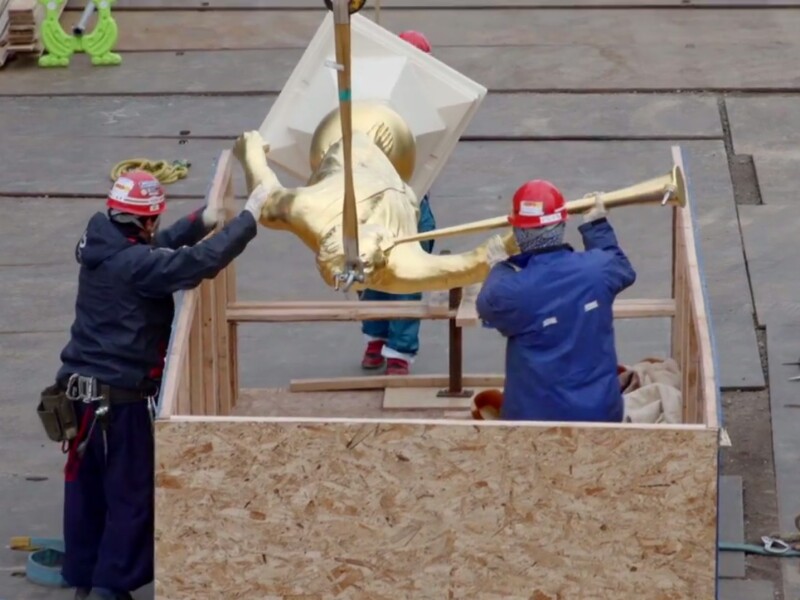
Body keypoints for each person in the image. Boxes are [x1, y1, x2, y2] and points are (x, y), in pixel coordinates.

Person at [42, 170, 269, 600]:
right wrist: (248, 221)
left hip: (82, 400)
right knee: (130, 497)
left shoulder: (104, 246)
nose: (155, 230)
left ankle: (86, 579)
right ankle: (111, 586)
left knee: (86, 494)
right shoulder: (134, 264)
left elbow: (161, 249)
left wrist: (202, 220)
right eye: (154, 222)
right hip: (118, 403)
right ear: (144, 222)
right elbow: (192, 264)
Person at [475, 180, 636, 423]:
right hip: (601, 414)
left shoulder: (514, 289)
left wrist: (500, 266)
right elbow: (622, 267)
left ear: (518, 230)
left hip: (533, 419)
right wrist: (596, 224)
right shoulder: (597, 269)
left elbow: (488, 304)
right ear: (561, 222)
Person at [359, 29, 437, 376]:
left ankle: (379, 341)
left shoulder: (372, 96)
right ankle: (396, 351)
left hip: (379, 198)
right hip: (404, 199)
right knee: (404, 271)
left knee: (376, 265)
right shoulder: (423, 101)